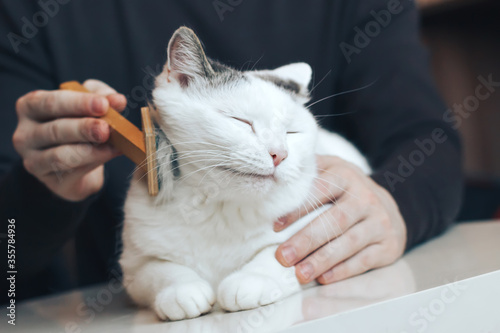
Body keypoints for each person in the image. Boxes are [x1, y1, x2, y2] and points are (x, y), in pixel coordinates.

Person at [0, 0, 462, 303]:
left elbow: (427, 139)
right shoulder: (31, 12)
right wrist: (40, 189)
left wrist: (394, 204)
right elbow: (9, 261)